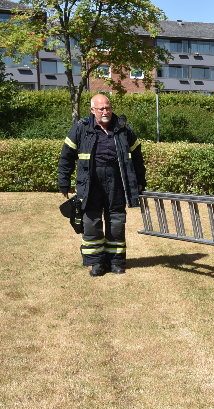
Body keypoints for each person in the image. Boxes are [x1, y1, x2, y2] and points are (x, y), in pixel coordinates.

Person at [58, 93, 146, 276]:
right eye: (101, 108)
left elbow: (137, 157)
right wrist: (63, 181)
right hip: (90, 183)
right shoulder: (81, 128)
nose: (106, 111)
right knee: (91, 222)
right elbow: (66, 156)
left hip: (117, 182)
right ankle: (96, 262)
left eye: (108, 107)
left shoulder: (124, 129)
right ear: (92, 110)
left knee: (117, 221)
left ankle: (116, 261)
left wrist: (140, 181)